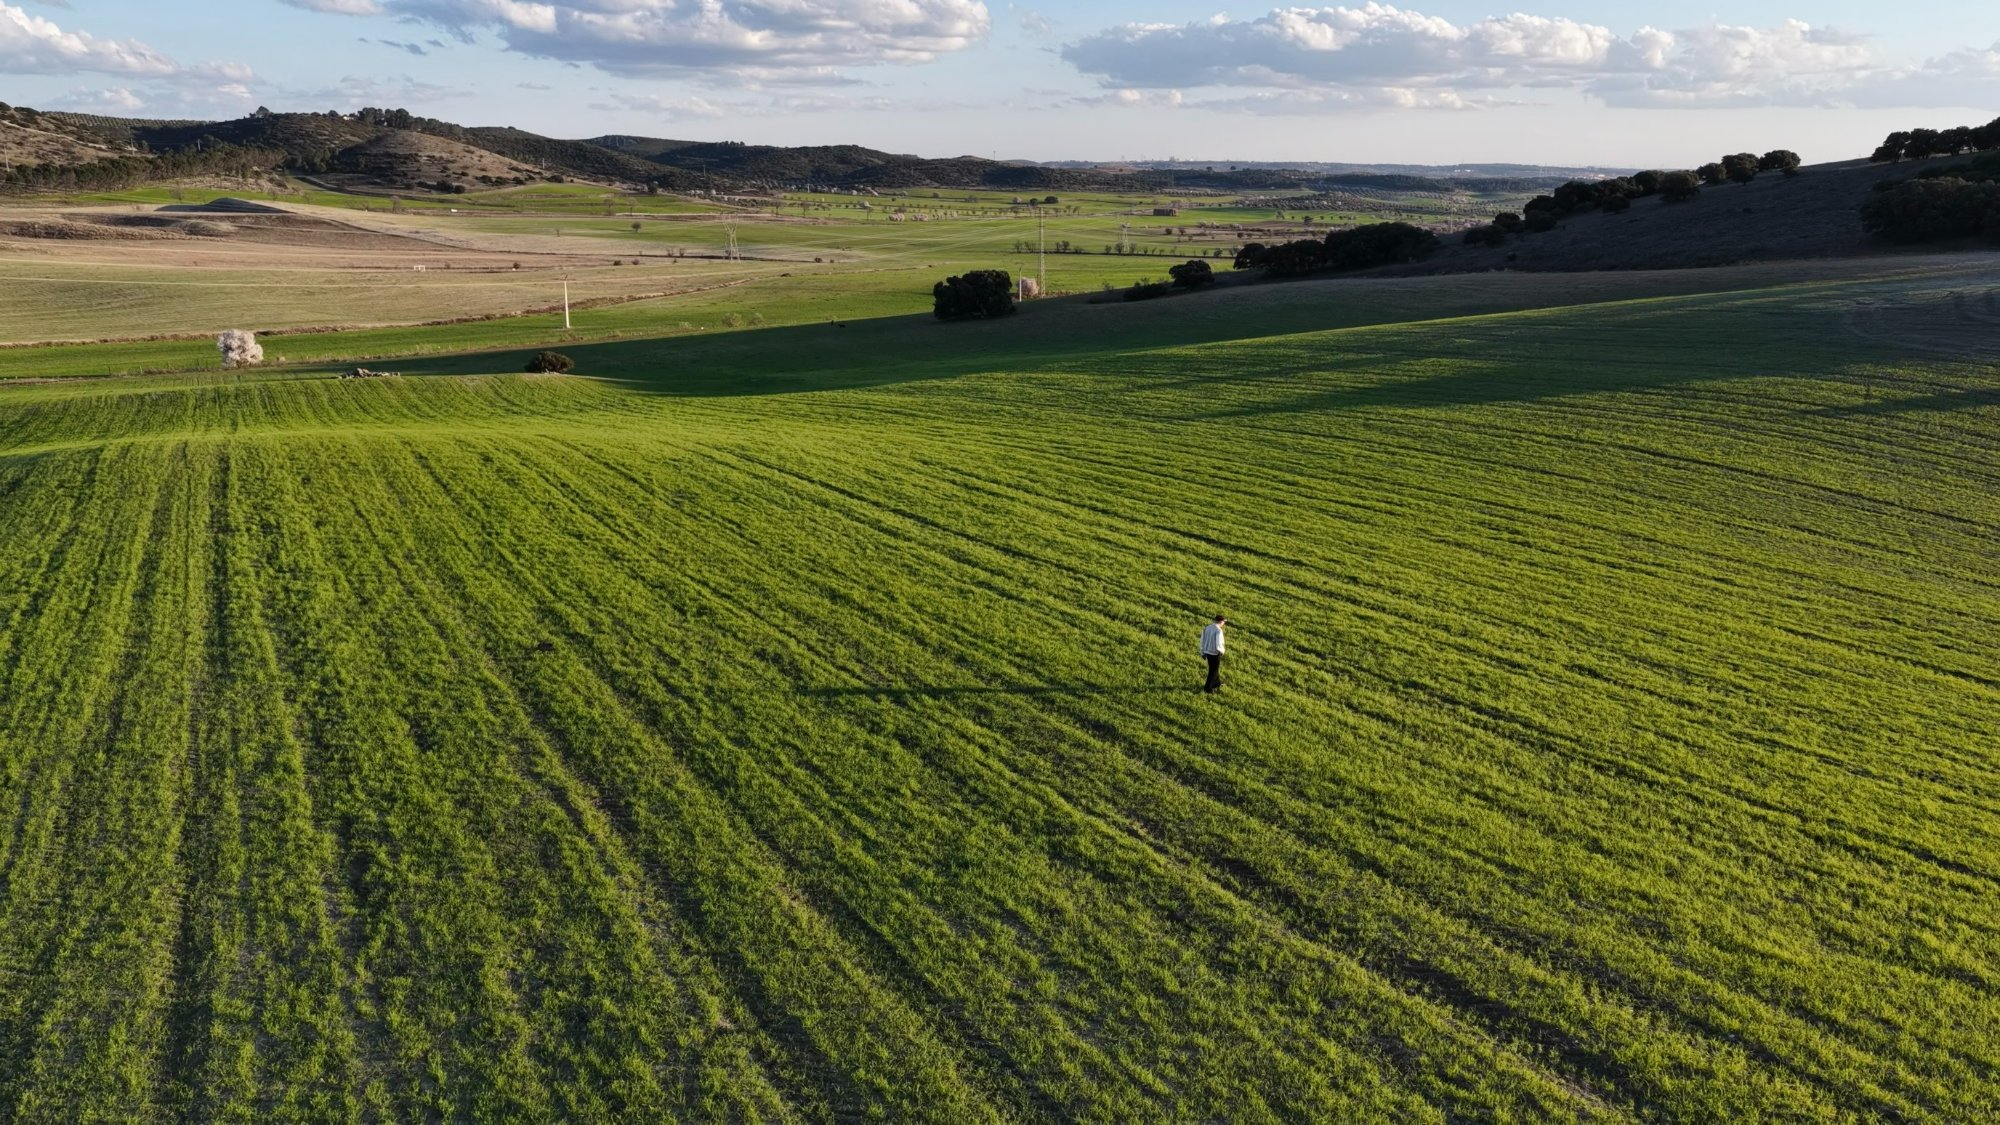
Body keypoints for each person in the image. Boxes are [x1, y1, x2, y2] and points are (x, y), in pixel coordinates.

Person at [1200, 615, 1226, 693]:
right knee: (1213, 671)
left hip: (1207, 652)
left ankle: (1216, 683)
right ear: (1221, 621)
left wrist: (1202, 652)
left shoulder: (1207, 628)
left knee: (1213, 669)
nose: (1224, 624)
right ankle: (1207, 688)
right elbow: (1219, 643)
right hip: (1214, 653)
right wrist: (1221, 651)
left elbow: (1202, 640)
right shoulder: (1218, 630)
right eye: (1224, 622)